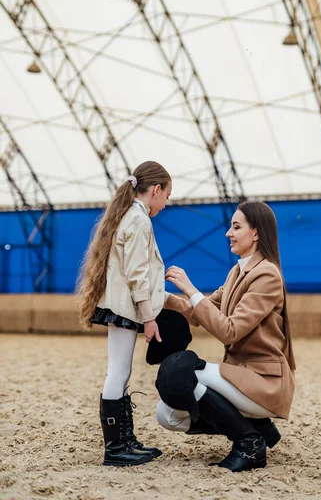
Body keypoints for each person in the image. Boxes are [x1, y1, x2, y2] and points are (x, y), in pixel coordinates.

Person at [156, 200, 296, 472]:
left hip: (264, 381)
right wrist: (160, 297)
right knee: (167, 415)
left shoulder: (267, 274)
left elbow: (228, 330)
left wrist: (190, 287)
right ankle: (255, 427)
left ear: (256, 233)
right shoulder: (237, 271)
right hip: (239, 375)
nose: (228, 233)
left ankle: (249, 442)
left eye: (236, 227)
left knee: (181, 374)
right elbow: (200, 313)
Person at [77, 160, 172, 467]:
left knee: (121, 372)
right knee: (118, 372)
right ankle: (116, 448)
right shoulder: (139, 220)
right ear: (156, 191)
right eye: (167, 196)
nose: (166, 203)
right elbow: (137, 274)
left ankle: (124, 441)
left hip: (120, 305)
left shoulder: (129, 216)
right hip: (125, 307)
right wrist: (149, 317)